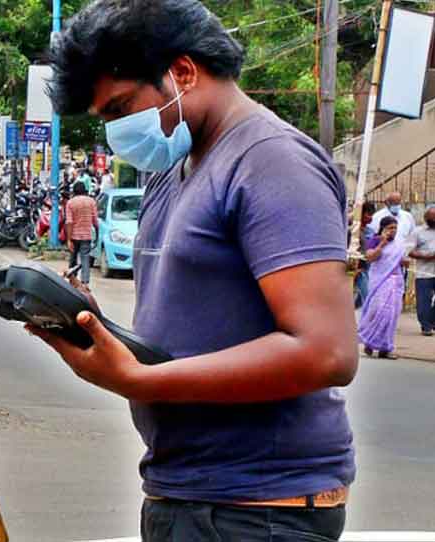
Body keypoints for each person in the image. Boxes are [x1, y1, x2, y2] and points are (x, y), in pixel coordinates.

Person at [35, 1, 357, 540]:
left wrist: (142, 380)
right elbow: (193, 325)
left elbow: (326, 351)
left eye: (120, 109)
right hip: (187, 494)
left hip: (257, 512)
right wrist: (97, 332)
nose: (116, 131)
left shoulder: (272, 161)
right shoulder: (174, 168)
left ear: (183, 73)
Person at [358, 216, 407, 358]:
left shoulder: (398, 244)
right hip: (380, 282)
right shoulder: (374, 240)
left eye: (395, 228)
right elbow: (371, 258)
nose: (393, 231)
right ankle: (369, 342)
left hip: (395, 282)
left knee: (392, 314)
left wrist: (404, 262)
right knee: (377, 311)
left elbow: (398, 261)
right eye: (390, 228)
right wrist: (382, 244)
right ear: (383, 228)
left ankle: (385, 348)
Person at [65, 180, 98, 285]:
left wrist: (69, 239)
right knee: (85, 260)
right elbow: (95, 220)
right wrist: (97, 232)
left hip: (74, 236)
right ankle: (85, 284)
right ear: (85, 191)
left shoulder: (70, 203)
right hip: (86, 236)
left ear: (74, 191)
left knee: (73, 259)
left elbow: (69, 222)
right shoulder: (91, 202)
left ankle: (72, 281)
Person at [408, 207, 435, 336]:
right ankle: (426, 326)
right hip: (424, 272)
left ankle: (432, 321)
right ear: (426, 219)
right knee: (424, 300)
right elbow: (409, 251)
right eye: (432, 220)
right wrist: (427, 256)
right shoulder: (417, 232)